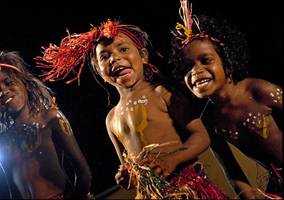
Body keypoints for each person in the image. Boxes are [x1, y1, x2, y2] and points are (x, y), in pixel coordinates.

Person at [35, 19, 229, 199]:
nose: (115, 58)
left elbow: (202, 136)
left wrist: (173, 160)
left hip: (189, 188)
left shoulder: (162, 93)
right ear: (99, 71)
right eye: (105, 56)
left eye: (123, 49)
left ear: (143, 56)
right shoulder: (111, 119)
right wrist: (126, 177)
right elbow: (129, 167)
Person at [169, 0, 283, 198]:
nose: (196, 71)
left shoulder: (260, 92)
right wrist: (245, 192)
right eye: (187, 67)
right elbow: (231, 169)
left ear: (227, 61)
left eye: (205, 60)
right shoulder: (208, 121)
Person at [0, 51, 92, 199]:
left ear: (24, 82)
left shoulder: (51, 118)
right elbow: (14, 193)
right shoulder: (1, 143)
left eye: (8, 82)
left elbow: (84, 173)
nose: (3, 91)